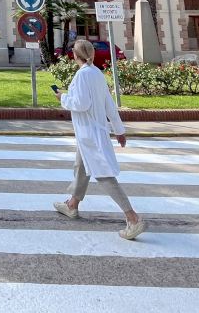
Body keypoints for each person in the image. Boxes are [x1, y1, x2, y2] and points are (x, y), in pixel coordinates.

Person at [53, 38, 146, 240]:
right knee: (81, 166)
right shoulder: (96, 73)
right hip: (94, 132)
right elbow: (109, 104)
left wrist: (63, 98)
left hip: (89, 135)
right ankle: (72, 205)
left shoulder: (82, 75)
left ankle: (133, 218)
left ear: (75, 55)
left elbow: (81, 104)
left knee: (104, 175)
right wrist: (119, 130)